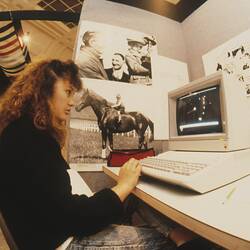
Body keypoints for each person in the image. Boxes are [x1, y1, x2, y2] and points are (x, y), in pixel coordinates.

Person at [0, 59, 215, 250]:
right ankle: (181, 238)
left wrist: (120, 189)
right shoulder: (31, 139)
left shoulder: (20, 132)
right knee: (164, 239)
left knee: (132, 200)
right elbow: (72, 218)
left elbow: (54, 203)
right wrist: (122, 186)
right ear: (44, 89)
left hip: (44, 233)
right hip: (61, 241)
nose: (73, 102)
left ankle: (177, 234)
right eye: (67, 92)